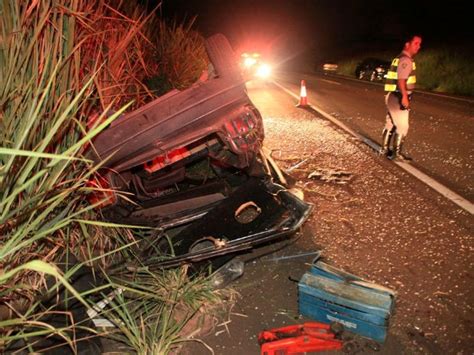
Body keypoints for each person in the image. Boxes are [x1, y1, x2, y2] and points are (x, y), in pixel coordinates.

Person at [380, 34, 422, 161]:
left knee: (391, 123)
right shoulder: (406, 60)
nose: (418, 47)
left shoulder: (398, 58)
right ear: (407, 44)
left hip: (392, 95)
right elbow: (401, 79)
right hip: (398, 95)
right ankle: (397, 154)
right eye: (415, 43)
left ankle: (385, 149)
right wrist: (404, 97)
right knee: (403, 126)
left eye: (419, 44)